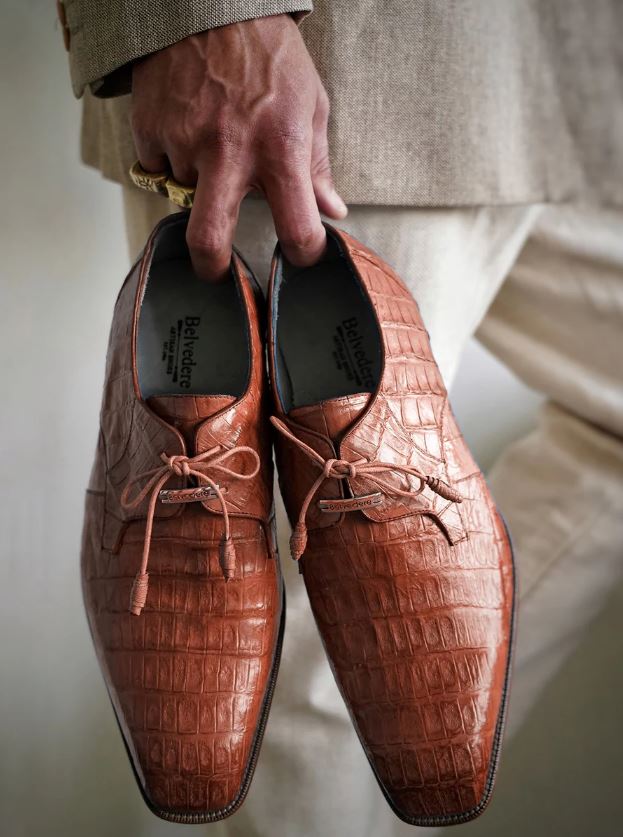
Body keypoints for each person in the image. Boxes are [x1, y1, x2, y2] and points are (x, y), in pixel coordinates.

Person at [58, 3, 623, 835]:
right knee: (299, 643)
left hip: (549, 86)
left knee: (368, 656)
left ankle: (388, 738)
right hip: (325, 81)